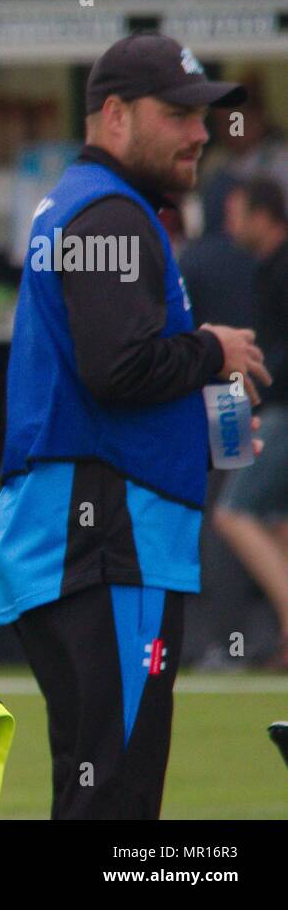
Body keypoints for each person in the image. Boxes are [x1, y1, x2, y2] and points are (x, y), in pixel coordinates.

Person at [0, 33, 270, 819]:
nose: (199, 134)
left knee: (97, 784)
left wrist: (196, 387)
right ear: (114, 114)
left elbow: (113, 366)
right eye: (178, 114)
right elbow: (118, 370)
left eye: (203, 115)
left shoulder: (88, 202)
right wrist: (211, 349)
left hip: (82, 541)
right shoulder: (109, 210)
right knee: (115, 796)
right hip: (108, 543)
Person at [214, 176, 288, 668]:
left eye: (238, 212)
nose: (229, 222)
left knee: (232, 513)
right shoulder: (264, 269)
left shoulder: (277, 270)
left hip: (277, 408)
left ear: (263, 215)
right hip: (259, 405)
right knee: (278, 520)